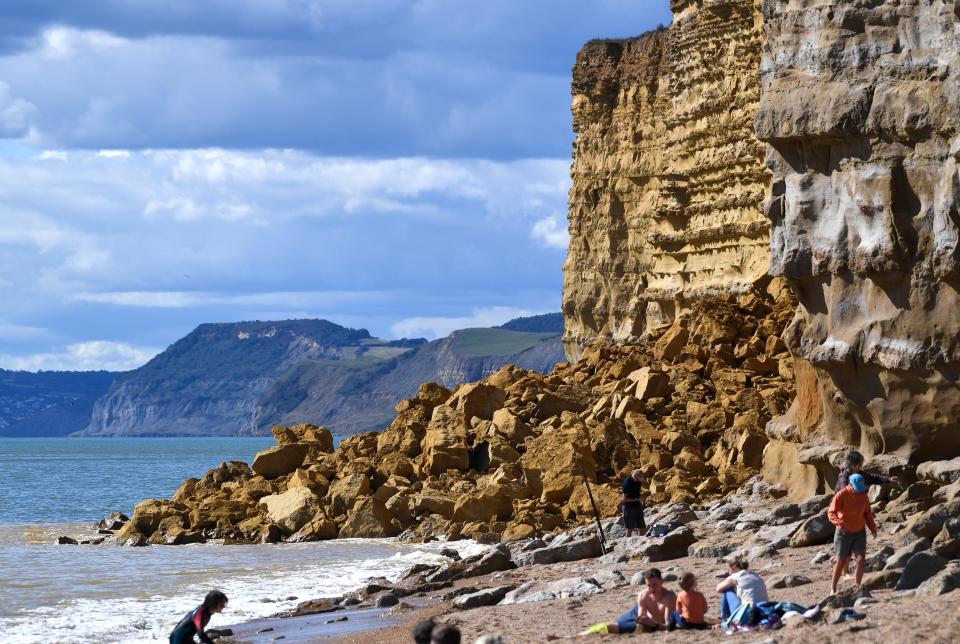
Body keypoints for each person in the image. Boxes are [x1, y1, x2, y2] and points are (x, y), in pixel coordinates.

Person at [581, 568, 676, 634]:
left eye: (654, 585)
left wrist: (654, 625)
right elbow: (641, 618)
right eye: (648, 585)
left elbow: (669, 626)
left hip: (654, 623)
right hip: (638, 611)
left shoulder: (669, 598)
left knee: (611, 627)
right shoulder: (644, 595)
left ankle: (584, 634)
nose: (651, 589)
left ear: (662, 582)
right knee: (617, 622)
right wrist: (643, 619)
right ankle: (583, 634)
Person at [828, 473, 878, 594]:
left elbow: (867, 514)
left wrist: (872, 527)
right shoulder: (842, 495)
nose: (860, 491)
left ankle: (857, 586)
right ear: (850, 485)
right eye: (858, 488)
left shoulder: (863, 495)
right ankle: (833, 588)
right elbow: (831, 513)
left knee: (860, 560)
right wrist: (839, 523)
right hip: (843, 532)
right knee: (841, 561)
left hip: (859, 532)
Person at [716, 555, 768, 620]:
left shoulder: (736, 576)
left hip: (747, 614)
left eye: (729, 569)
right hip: (765, 612)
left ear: (733, 568)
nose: (729, 571)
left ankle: (725, 619)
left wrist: (731, 582)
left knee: (727, 590)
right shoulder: (756, 576)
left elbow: (718, 589)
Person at [835, 450, 901, 492]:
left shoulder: (858, 472)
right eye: (860, 465)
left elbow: (872, 477)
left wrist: (888, 479)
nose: (861, 466)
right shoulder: (843, 479)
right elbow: (845, 496)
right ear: (853, 465)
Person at [621, 468, 647, 537]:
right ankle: (626, 545)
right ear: (635, 475)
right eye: (639, 478)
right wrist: (637, 499)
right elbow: (624, 500)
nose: (639, 480)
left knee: (642, 527)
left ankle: (641, 544)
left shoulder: (638, 482)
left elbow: (636, 492)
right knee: (630, 529)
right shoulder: (627, 483)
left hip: (637, 506)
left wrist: (641, 497)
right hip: (628, 507)